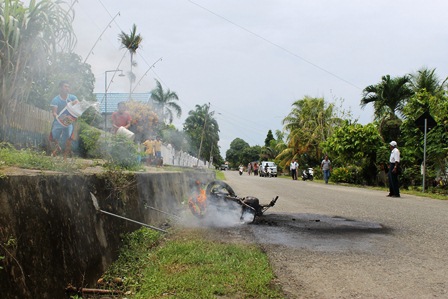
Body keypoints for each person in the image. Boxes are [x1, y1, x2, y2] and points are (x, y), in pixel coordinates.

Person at [49, 80, 79, 158]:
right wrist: (59, 118)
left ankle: (65, 157)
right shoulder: (56, 100)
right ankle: (57, 149)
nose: (67, 88)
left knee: (68, 138)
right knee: (54, 137)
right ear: (60, 88)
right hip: (58, 120)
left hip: (69, 120)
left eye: (68, 87)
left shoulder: (72, 97)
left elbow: (77, 103)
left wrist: (71, 104)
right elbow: (54, 113)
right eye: (65, 86)